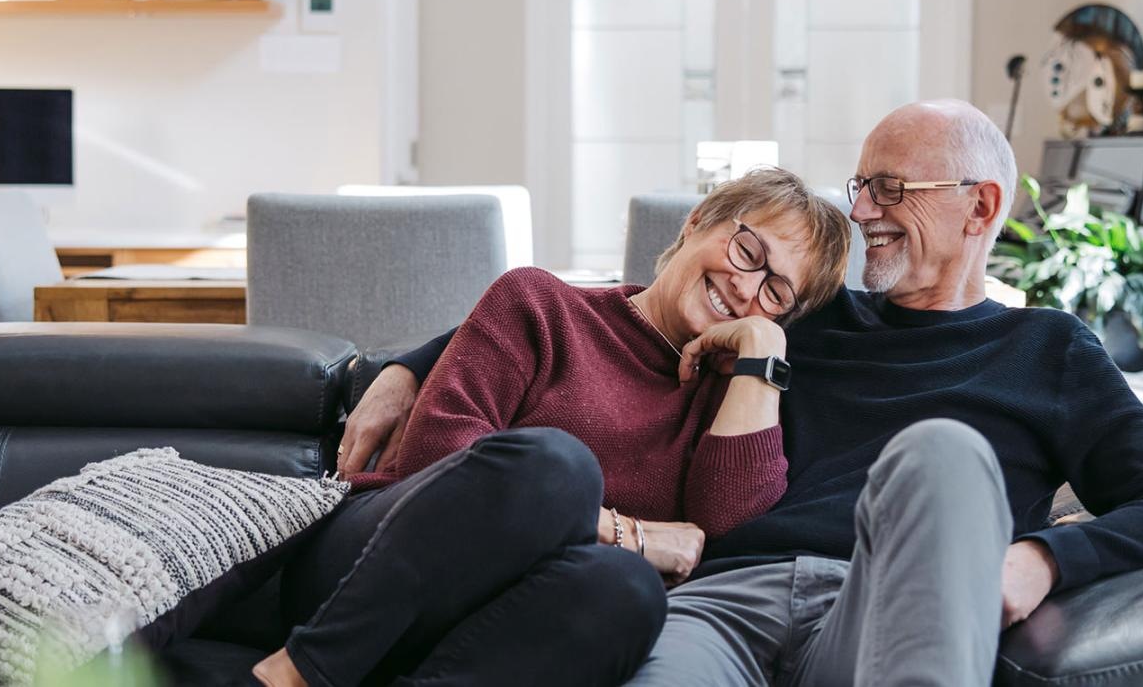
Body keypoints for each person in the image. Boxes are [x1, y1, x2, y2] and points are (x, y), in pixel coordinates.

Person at [348, 99, 1143, 685]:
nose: (865, 210)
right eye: (862, 185)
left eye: (893, 189)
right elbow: (611, 313)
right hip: (718, 602)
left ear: (980, 206)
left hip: (884, 602)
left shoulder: (1048, 349)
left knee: (944, 450)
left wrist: (1044, 558)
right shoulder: (798, 311)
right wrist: (405, 363)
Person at [252, 167, 853, 687]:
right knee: (553, 466)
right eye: (747, 252)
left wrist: (760, 351)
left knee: (627, 594)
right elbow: (438, 464)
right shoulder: (541, 304)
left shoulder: (733, 401)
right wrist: (631, 535)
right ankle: (302, 671)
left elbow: (722, 534)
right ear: (697, 222)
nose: (746, 287)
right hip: (377, 566)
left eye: (776, 293)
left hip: (511, 619)